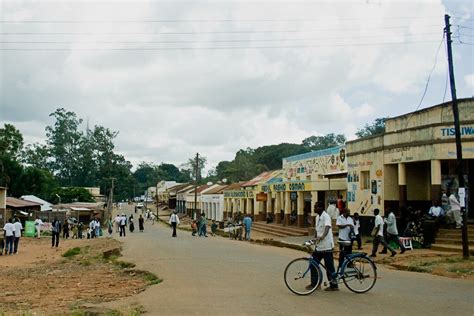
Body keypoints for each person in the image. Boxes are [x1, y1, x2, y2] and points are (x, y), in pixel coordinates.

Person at [309, 202, 338, 291]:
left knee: (329, 267)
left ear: (321, 207)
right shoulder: (317, 217)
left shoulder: (326, 216)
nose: (314, 208)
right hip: (319, 246)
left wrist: (323, 236)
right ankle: (315, 284)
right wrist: (314, 240)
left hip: (327, 246)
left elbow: (327, 227)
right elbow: (317, 231)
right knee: (313, 264)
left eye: (315, 207)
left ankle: (334, 285)